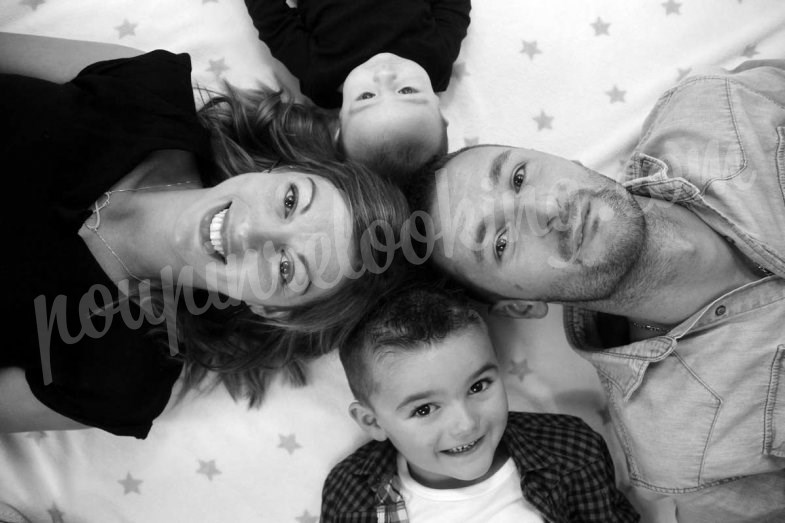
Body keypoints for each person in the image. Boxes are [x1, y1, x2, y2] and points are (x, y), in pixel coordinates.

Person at [406, 60, 785, 521]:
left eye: (519, 177)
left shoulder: (718, 108)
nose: (546, 209)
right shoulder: (688, 453)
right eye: (501, 242)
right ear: (521, 305)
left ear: (566, 160)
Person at [0, 32, 410, 439]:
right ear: (283, 170)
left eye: (286, 268)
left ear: (271, 310)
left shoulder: (119, 381)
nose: (249, 230)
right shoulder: (148, 91)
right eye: (289, 201)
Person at [321, 282, 639, 522]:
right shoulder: (352, 492)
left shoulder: (571, 452)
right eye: (424, 409)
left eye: (477, 386)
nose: (466, 424)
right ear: (373, 422)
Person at [243, 0, 471, 182]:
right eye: (407, 91)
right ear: (438, 107)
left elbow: (276, 24)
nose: (383, 76)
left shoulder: (321, 75)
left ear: (340, 120)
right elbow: (453, 7)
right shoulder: (435, 60)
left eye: (367, 96)